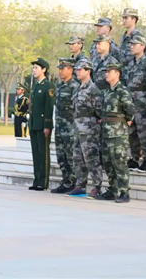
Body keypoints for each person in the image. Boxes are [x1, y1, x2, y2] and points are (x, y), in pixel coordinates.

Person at [98, 62, 135, 203]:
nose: (106, 74)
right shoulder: (107, 92)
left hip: (118, 132)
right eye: (106, 71)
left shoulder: (122, 91)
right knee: (107, 162)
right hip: (106, 132)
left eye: (110, 71)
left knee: (119, 162)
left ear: (117, 74)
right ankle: (112, 189)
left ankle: (124, 191)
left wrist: (127, 120)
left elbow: (130, 110)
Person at [70, 59, 104, 199]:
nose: (77, 72)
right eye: (76, 70)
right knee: (77, 158)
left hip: (89, 129)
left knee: (91, 158)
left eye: (80, 70)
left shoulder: (93, 89)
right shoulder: (79, 88)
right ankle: (80, 184)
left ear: (88, 71)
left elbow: (100, 110)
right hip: (78, 128)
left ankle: (96, 186)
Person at [124, 33, 146, 172]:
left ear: (142, 46)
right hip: (131, 103)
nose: (132, 47)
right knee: (132, 133)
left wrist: (144, 97)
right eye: (131, 44)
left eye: (134, 44)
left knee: (144, 133)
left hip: (143, 103)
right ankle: (135, 158)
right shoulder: (130, 64)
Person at [50, 58, 78, 194]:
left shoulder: (75, 86)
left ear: (71, 70)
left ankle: (74, 182)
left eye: (63, 69)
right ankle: (65, 181)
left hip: (70, 127)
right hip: (60, 127)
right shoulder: (60, 86)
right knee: (61, 156)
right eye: (59, 69)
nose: (60, 71)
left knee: (70, 156)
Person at [28, 58, 55, 191]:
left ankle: (43, 181)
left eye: (36, 68)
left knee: (43, 153)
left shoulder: (48, 86)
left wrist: (47, 125)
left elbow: (48, 107)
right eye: (33, 68)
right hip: (34, 123)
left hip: (42, 124)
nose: (34, 70)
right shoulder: (35, 85)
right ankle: (36, 179)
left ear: (44, 69)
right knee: (36, 153)